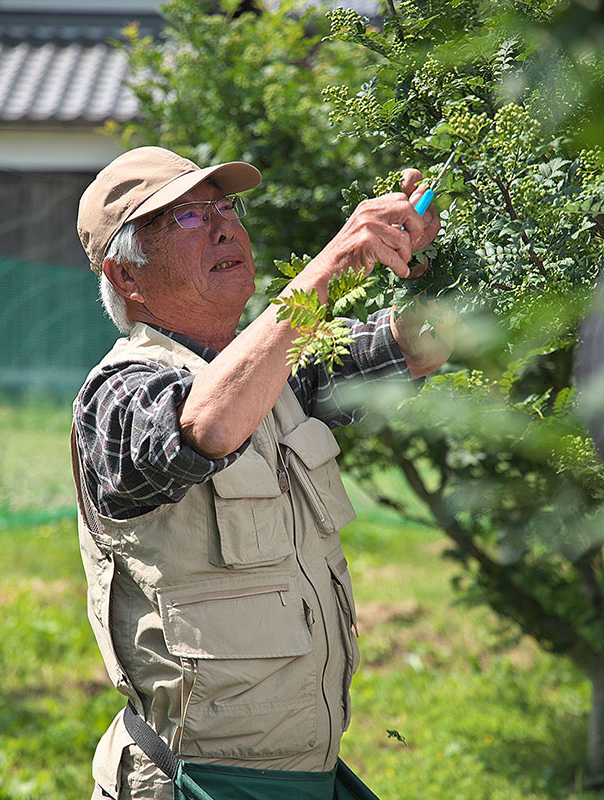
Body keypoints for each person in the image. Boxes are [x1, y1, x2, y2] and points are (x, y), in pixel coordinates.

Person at [72, 145, 452, 800]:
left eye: (223, 206)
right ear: (126, 277)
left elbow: (422, 342)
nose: (223, 226)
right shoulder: (117, 393)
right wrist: (327, 265)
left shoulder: (278, 371)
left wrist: (417, 257)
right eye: (185, 219)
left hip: (306, 775)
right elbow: (203, 429)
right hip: (199, 781)